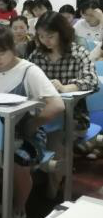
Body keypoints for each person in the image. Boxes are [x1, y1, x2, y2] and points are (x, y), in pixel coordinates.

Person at [0, 26, 64, 218]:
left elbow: (57, 105)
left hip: (25, 133)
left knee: (18, 160)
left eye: (1, 52)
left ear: (13, 48)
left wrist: (32, 124)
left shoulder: (29, 71)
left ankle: (18, 210)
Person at [29, 12, 99, 163]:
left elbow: (92, 81)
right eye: (41, 36)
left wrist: (66, 87)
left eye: (50, 36)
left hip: (73, 116)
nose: (45, 41)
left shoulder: (78, 53)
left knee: (54, 134)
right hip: (43, 113)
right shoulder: (37, 55)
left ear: (62, 33)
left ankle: (55, 174)